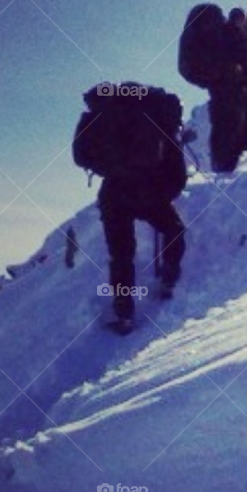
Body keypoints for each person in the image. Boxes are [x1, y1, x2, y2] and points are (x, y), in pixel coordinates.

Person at [73, 83, 187, 329]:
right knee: (174, 228)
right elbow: (177, 172)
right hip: (149, 191)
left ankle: (123, 313)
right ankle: (168, 278)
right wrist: (164, 194)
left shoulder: (105, 116)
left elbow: (80, 156)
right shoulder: (158, 121)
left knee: (121, 255)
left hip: (113, 192)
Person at [206, 8, 247, 172]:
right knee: (233, 121)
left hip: (246, 87)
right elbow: (233, 62)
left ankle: (232, 159)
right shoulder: (230, 39)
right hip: (232, 87)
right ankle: (227, 162)